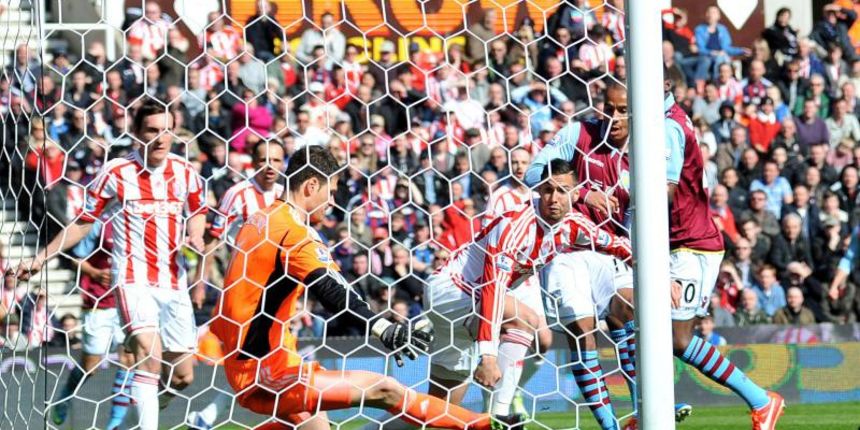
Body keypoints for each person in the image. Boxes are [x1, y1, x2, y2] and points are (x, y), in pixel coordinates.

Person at [209, 146, 497, 430]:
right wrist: (383, 328)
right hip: (265, 368)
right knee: (385, 389)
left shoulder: (260, 218)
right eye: (331, 191)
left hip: (263, 358)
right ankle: (489, 424)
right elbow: (332, 290)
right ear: (311, 186)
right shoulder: (293, 232)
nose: (332, 202)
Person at [15, 99, 207, 430]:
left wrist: (196, 234)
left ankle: (142, 411)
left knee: (183, 376)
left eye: (166, 131)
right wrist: (40, 257)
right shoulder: (117, 172)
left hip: (173, 281)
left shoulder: (185, 171)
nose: (160, 138)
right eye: (151, 131)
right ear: (136, 134)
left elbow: (198, 210)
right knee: (147, 357)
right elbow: (83, 222)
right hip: (131, 279)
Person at [526, 83, 691, 424]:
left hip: (611, 249)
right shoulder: (578, 134)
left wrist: (663, 271)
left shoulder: (645, 148)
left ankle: (644, 406)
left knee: (630, 310)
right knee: (583, 332)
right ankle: (609, 424)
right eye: (608, 109)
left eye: (622, 110)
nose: (613, 117)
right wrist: (583, 194)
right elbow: (532, 174)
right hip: (567, 252)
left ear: (636, 112)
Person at [423, 159, 632, 428]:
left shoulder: (573, 226)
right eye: (547, 190)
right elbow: (493, 288)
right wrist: (488, 357)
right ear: (538, 190)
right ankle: (498, 418)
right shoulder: (515, 224)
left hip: (466, 307)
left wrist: (659, 274)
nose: (553, 198)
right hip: (452, 290)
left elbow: (614, 244)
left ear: (575, 194)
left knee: (436, 412)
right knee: (526, 321)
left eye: (562, 190)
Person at [658, 70, 784, 430]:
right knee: (634, 320)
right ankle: (650, 405)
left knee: (679, 340)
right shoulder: (672, 119)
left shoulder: (668, 126)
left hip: (689, 245)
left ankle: (761, 400)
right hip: (681, 240)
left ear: (665, 85)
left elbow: (666, 190)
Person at [187, 140, 286, 429]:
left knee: (263, 360)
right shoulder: (237, 194)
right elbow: (213, 239)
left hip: (279, 289)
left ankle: (207, 417)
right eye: (264, 159)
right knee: (256, 358)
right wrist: (201, 281)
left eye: (276, 160)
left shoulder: (284, 194)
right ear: (253, 162)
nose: (270, 166)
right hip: (245, 288)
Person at [482, 147, 553, 419]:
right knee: (506, 338)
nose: (520, 166)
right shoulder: (500, 196)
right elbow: (488, 234)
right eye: (515, 162)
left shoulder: (538, 196)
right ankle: (495, 407)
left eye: (524, 162)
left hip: (528, 278)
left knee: (544, 340)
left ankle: (514, 389)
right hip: (505, 275)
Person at [50, 215, 136, 430]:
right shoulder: (100, 223)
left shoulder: (137, 219)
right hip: (99, 301)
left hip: (128, 299)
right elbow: (76, 258)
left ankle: (116, 422)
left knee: (129, 359)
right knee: (91, 365)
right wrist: (95, 273)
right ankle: (65, 395)